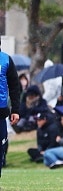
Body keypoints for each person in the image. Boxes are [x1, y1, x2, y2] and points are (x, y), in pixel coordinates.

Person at [0, 44, 22, 176]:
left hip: (1, 111)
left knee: (0, 147)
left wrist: (15, 110)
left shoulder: (6, 60)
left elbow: (14, 87)